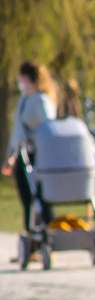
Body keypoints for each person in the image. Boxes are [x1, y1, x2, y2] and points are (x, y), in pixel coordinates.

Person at [5, 62, 56, 232]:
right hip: (22, 155)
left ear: (27, 78)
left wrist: (34, 141)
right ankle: (31, 236)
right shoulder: (24, 99)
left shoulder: (41, 100)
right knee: (27, 200)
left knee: (39, 198)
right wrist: (10, 155)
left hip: (36, 156)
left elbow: (48, 127)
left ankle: (47, 233)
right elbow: (17, 131)